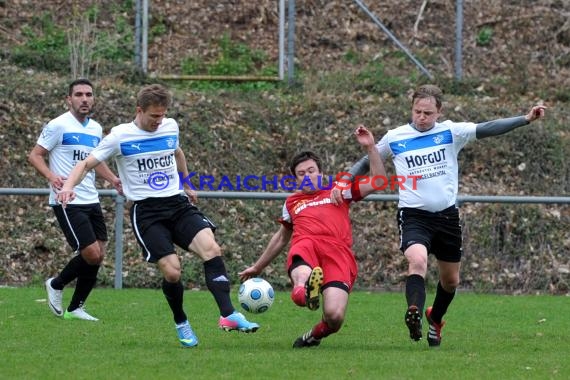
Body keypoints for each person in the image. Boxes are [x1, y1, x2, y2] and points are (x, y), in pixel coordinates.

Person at [331, 84, 546, 347]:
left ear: (439, 112)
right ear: (411, 109)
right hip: (413, 216)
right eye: (417, 111)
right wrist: (343, 182)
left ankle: (436, 317)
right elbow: (368, 159)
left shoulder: (451, 132)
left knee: (451, 281)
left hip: (447, 218)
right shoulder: (396, 137)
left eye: (428, 113)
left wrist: (524, 119)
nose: (422, 117)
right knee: (417, 261)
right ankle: (414, 313)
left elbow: (488, 127)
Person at [56, 83, 259, 347]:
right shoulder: (120, 136)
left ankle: (228, 314)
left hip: (177, 204)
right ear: (139, 110)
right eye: (153, 116)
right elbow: (85, 164)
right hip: (148, 213)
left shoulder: (170, 126)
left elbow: (177, 152)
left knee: (212, 249)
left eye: (162, 115)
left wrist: (186, 183)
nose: (158, 121)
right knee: (173, 273)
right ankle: (181, 322)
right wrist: (69, 187)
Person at [239, 125, 386, 348]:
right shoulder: (292, 202)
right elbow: (281, 238)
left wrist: (370, 147)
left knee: (334, 317)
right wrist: (258, 267)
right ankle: (301, 291)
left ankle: (314, 335)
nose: (307, 176)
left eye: (311, 171)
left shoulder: (339, 190)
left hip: (338, 252)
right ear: (295, 179)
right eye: (301, 174)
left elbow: (379, 181)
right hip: (307, 244)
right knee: (304, 249)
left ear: (320, 172)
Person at [28, 78, 122, 322]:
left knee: (99, 253)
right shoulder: (58, 125)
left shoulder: (95, 129)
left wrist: (113, 180)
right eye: (78, 94)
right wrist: (51, 176)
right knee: (90, 253)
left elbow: (95, 160)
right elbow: (36, 155)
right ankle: (56, 284)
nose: (84, 99)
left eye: (88, 94)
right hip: (66, 200)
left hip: (91, 198)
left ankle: (76, 308)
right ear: (68, 99)